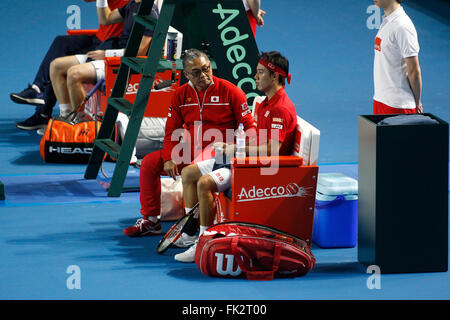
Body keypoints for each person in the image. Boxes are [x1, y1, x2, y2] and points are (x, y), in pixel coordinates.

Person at [173, 51, 296, 263]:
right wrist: (234, 146)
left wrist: (234, 149)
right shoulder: (266, 102)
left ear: (275, 76)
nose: (255, 77)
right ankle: (190, 232)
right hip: (244, 161)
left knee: (204, 183)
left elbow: (272, 150)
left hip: (258, 170)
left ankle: (204, 241)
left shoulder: (280, 108)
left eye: (260, 73)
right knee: (188, 173)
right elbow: (258, 140)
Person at [122, 48, 256, 237]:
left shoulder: (231, 91)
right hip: (189, 151)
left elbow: (251, 129)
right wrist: (169, 158)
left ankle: (191, 229)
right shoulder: (181, 95)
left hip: (218, 156)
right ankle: (151, 221)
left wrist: (242, 154)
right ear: (186, 75)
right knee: (151, 164)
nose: (203, 75)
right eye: (196, 72)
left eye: (206, 69)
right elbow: (171, 131)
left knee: (191, 172)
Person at [12, 0, 129, 131]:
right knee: (61, 42)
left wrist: (109, 53)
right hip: (98, 39)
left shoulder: (139, 5)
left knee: (60, 66)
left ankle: (43, 113)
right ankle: (37, 90)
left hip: (108, 46)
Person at [50, 0, 158, 118]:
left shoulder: (149, 13)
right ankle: (65, 115)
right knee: (56, 66)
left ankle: (80, 123)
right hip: (111, 55)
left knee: (74, 74)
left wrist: (107, 54)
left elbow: (139, 53)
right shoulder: (132, 5)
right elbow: (105, 19)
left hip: (120, 63)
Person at [373, 0, 422, 114]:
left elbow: (414, 71)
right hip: (380, 99)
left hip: (398, 106)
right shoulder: (388, 21)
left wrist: (417, 102)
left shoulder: (402, 26)